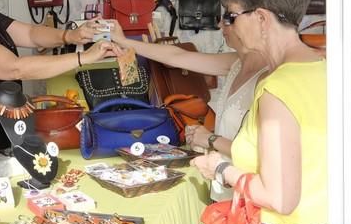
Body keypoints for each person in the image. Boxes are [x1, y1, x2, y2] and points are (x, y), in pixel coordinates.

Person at [191, 0, 327, 224]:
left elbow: (280, 197)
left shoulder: (277, 89)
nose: (227, 25)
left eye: (232, 16)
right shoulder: (323, 70)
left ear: (262, 19)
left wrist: (221, 168)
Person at [109, 16, 266, 201]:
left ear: (259, 18)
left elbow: (263, 155)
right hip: (225, 188)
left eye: (230, 17)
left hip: (249, 194)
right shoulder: (237, 62)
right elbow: (176, 56)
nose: (219, 24)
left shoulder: (270, 77)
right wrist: (124, 41)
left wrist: (211, 139)